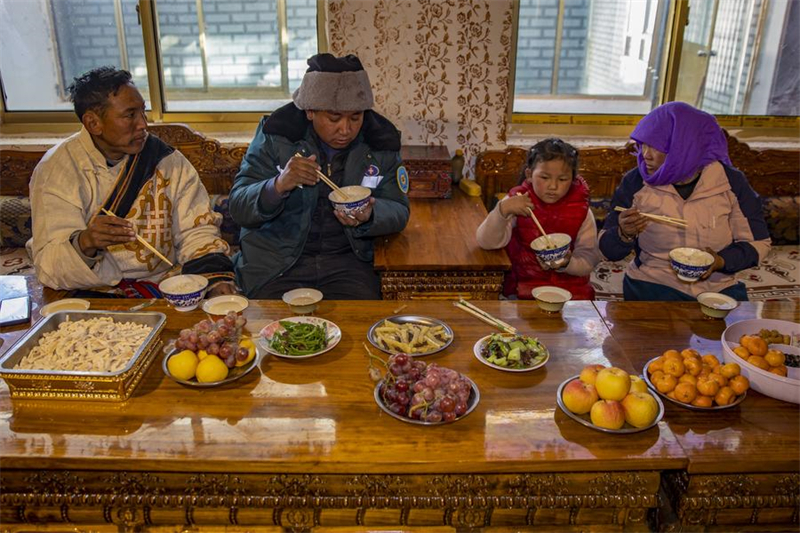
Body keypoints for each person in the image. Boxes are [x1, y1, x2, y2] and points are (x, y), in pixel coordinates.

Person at [28, 66, 235, 297]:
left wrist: (215, 281)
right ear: (93, 123)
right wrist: (85, 242)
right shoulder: (57, 170)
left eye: (142, 112)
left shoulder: (166, 160)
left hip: (165, 284)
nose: (143, 124)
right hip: (94, 291)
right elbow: (49, 264)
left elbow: (196, 230)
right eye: (130, 115)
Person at [229, 53, 410, 299]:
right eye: (334, 118)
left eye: (355, 117)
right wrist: (278, 185)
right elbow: (238, 206)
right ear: (310, 111)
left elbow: (400, 209)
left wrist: (371, 215)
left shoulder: (380, 142)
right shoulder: (277, 134)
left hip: (349, 262)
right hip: (277, 264)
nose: (346, 129)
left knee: (360, 320)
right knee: (275, 322)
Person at [598, 102, 771, 301]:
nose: (645, 155)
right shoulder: (636, 181)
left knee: (737, 321)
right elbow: (606, 249)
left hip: (718, 286)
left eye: (656, 147)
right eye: (643, 144)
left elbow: (758, 243)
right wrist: (623, 234)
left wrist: (721, 261)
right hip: (652, 283)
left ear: (685, 146)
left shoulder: (730, 181)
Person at [476, 138, 601, 300]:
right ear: (529, 175)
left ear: (573, 179)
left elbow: (589, 259)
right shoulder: (519, 201)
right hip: (524, 286)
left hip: (570, 291)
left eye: (562, 179)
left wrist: (567, 264)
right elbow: (486, 242)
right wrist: (502, 210)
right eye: (544, 177)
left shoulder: (581, 209)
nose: (553, 186)